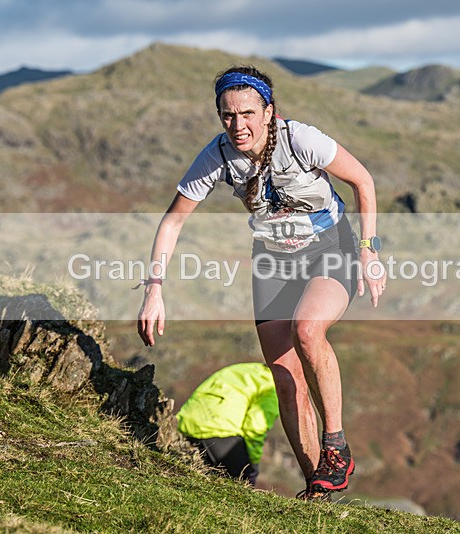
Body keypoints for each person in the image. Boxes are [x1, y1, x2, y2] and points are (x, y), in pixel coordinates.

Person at [137, 65, 386, 500]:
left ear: (268, 111)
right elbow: (173, 222)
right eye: (228, 115)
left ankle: (335, 445)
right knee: (285, 376)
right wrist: (154, 289)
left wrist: (369, 250)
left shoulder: (301, 140)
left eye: (248, 113)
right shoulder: (216, 156)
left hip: (331, 247)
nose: (238, 125)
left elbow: (363, 181)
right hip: (272, 260)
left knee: (307, 330)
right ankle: (318, 487)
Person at [176, 362, 279, 486]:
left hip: (187, 423)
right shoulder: (273, 385)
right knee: (242, 486)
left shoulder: (246, 369)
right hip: (220, 431)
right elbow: (256, 428)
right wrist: (253, 463)